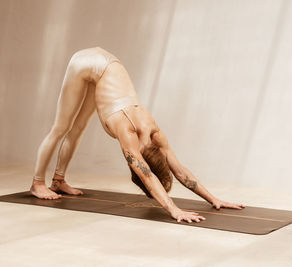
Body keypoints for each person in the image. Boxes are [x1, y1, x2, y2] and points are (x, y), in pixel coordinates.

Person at [30, 46, 245, 223]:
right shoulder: (129, 133)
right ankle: (37, 183)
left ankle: (58, 180)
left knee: (78, 128)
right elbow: (146, 175)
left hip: (108, 62)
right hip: (87, 62)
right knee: (61, 128)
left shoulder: (156, 135)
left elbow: (180, 172)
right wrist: (173, 210)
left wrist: (214, 199)